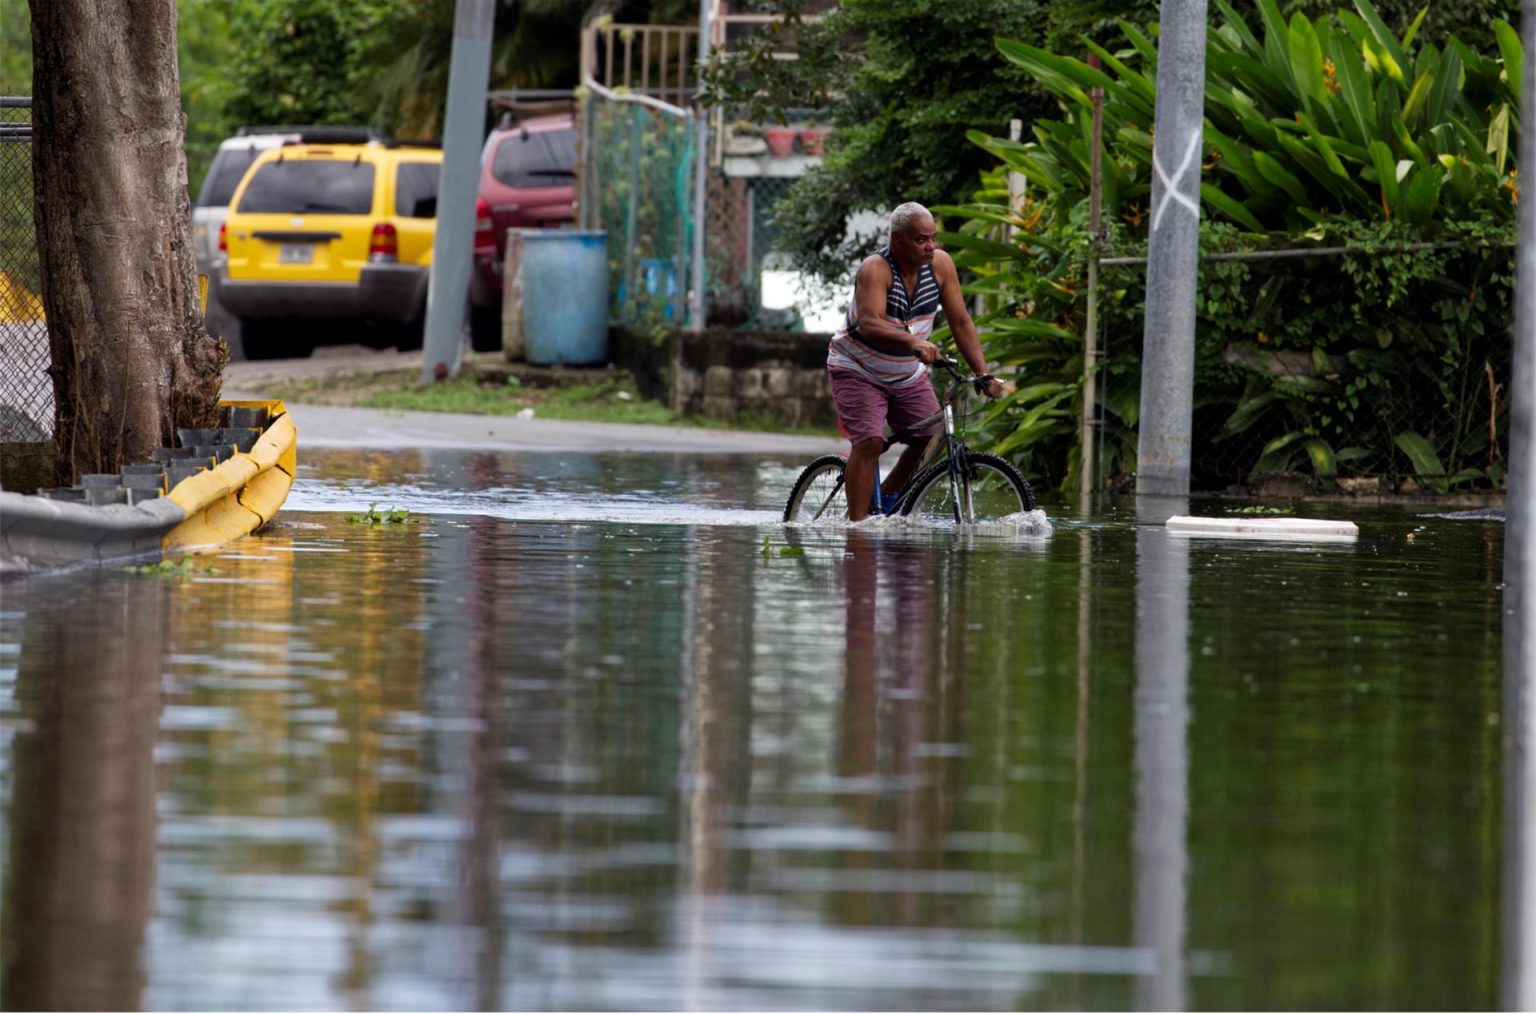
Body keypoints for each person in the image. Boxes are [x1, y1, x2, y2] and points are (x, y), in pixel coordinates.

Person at [826, 201, 1005, 521]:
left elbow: (961, 322)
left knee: (929, 433)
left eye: (933, 238)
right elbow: (870, 323)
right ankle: (858, 529)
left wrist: (983, 374)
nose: (930, 246)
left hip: (907, 374)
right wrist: (913, 341)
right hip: (858, 368)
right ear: (897, 239)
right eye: (921, 239)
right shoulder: (875, 269)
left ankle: (890, 497)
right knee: (869, 441)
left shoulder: (941, 266)